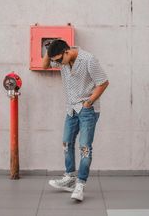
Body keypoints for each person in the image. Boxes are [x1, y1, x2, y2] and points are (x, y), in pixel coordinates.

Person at [42, 39, 109, 201]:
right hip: (71, 109)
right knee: (66, 142)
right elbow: (45, 66)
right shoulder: (62, 61)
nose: (57, 64)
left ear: (67, 51)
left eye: (58, 60)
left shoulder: (88, 60)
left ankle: (80, 184)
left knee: (85, 147)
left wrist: (89, 102)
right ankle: (69, 178)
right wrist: (49, 49)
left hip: (87, 109)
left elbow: (103, 82)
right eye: (55, 61)